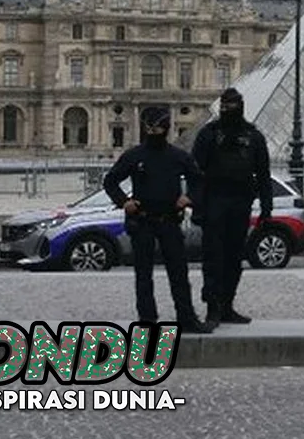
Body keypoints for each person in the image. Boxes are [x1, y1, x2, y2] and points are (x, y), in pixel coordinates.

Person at [103, 106, 211, 333]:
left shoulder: (178, 156)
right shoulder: (134, 155)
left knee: (179, 273)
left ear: (167, 128)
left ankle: (186, 318)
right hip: (142, 220)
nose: (155, 132)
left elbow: (199, 181)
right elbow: (110, 181)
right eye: (151, 128)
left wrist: (188, 197)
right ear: (145, 128)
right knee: (143, 274)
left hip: (170, 219)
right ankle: (147, 320)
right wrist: (124, 201)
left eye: (159, 127)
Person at [192, 87, 272, 325]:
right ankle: (212, 307)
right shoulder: (208, 134)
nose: (229, 110)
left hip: (240, 201)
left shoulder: (253, 136)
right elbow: (196, 172)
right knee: (213, 258)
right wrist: (197, 206)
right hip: (214, 201)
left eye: (233, 105)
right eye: (226, 105)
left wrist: (266, 209)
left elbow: (263, 173)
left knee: (235, 257)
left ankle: (227, 304)